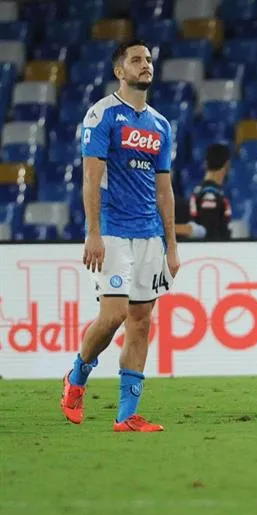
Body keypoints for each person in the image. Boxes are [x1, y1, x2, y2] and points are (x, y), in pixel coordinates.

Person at [60, 39, 179, 432]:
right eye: (136, 60)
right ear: (119, 71)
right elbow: (90, 178)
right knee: (113, 316)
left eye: (149, 59)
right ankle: (77, 375)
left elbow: (164, 188)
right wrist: (93, 233)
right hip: (113, 232)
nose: (145, 65)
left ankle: (126, 416)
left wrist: (171, 244)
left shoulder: (160, 125)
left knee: (141, 321)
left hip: (150, 236)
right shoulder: (102, 115)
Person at [189, 143, 232, 240]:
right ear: (227, 165)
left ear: (206, 164)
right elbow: (209, 232)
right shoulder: (210, 195)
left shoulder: (203, 190)